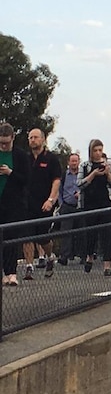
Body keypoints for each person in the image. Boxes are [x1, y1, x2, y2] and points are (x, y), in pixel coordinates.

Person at [22, 128, 62, 279]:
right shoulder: (25, 159)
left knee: (42, 237)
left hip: (44, 203)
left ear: (43, 139)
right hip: (27, 203)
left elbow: (56, 181)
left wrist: (51, 199)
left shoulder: (51, 159)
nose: (33, 140)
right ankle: (29, 267)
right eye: (30, 137)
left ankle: (50, 256)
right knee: (26, 235)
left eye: (35, 137)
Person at [78, 139, 111, 276]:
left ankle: (107, 266)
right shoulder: (84, 166)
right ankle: (89, 256)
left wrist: (108, 174)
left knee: (107, 235)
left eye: (100, 150)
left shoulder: (110, 165)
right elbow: (79, 185)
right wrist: (93, 174)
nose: (98, 153)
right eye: (95, 150)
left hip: (105, 203)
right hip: (89, 204)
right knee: (90, 234)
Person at [0, 122, 30, 286]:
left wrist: (10, 173)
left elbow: (26, 180)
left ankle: (11, 273)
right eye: (1, 143)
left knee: (11, 239)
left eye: (6, 142)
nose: (3, 146)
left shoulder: (20, 156)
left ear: (13, 138)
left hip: (13, 204)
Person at [57, 152, 84, 265]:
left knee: (82, 231)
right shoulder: (64, 175)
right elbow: (59, 190)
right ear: (68, 162)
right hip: (67, 206)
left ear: (79, 162)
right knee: (66, 232)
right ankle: (64, 256)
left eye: (76, 161)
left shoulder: (82, 175)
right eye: (72, 161)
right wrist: (61, 204)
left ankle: (83, 255)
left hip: (80, 207)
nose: (74, 163)